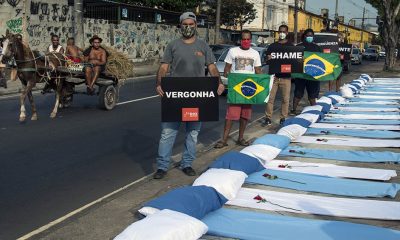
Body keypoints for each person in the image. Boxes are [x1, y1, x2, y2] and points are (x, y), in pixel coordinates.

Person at [153, 12, 225, 179]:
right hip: (175, 96)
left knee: (192, 133)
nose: (188, 27)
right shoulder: (173, 45)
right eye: (185, 24)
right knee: (167, 133)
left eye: (191, 24)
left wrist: (218, 82)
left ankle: (187, 164)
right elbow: (164, 67)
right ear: (180, 26)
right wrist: (159, 83)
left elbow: (212, 67)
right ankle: (162, 167)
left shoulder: (203, 46)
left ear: (195, 26)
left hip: (197, 97)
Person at [214, 29, 262, 149]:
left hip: (249, 89)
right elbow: (227, 69)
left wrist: (264, 83)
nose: (246, 41)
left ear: (251, 40)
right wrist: (227, 75)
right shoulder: (232, 51)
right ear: (240, 40)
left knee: (245, 115)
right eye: (243, 39)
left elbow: (258, 71)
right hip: (236, 88)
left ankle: (241, 138)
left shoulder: (255, 54)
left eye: (248, 39)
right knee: (231, 115)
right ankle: (224, 140)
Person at [264, 24, 294, 126]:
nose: (281, 33)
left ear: (287, 33)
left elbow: (295, 61)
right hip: (274, 77)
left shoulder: (291, 47)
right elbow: (267, 61)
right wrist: (268, 59)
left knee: (285, 99)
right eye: (280, 32)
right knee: (270, 98)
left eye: (283, 32)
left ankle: (283, 118)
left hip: (286, 77)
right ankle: (268, 117)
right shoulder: (272, 46)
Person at [291, 29, 322, 115]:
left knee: (312, 95)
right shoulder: (298, 47)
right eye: (308, 36)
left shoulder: (317, 48)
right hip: (301, 75)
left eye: (311, 36)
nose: (310, 37)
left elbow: (322, 60)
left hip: (313, 75)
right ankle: (293, 110)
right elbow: (294, 59)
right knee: (298, 93)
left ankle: (314, 112)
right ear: (304, 36)